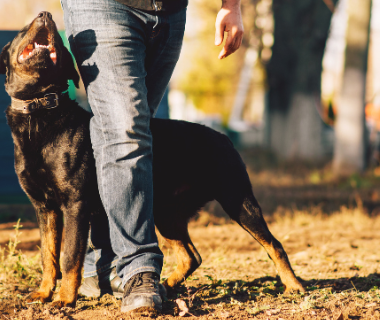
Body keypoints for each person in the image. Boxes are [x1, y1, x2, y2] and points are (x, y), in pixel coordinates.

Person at [61, 0, 243, 313]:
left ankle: (97, 264)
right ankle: (138, 269)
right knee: (126, 132)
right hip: (102, 7)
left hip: (169, 13)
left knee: (122, 135)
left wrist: (231, 4)